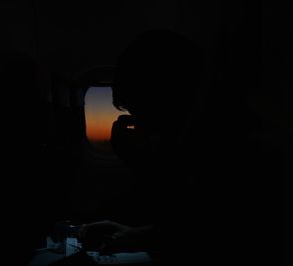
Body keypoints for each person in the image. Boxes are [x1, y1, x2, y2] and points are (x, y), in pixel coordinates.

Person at [78, 29, 203, 264]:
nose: (145, 128)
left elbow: (204, 237)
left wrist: (138, 162)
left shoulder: (228, 148)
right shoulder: (181, 141)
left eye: (147, 115)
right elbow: (185, 222)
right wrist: (136, 235)